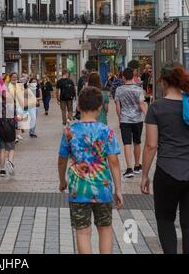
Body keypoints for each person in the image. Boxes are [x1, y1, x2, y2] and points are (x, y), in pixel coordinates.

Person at [141, 63, 189, 254]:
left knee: (165, 221)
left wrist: (144, 175)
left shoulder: (157, 108)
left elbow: (151, 145)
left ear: (163, 82)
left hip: (167, 173)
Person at [58, 86, 123, 254]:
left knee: (83, 231)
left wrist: (62, 181)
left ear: (78, 106)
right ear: (100, 107)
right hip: (102, 187)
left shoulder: (69, 131)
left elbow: (62, 159)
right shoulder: (106, 131)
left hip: (77, 189)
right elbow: (114, 162)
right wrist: (118, 189)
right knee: (105, 228)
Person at [114, 67, 147, 178]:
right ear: (133, 76)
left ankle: (129, 168)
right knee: (137, 142)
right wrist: (147, 116)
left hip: (125, 120)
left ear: (123, 77)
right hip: (138, 119)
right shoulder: (138, 89)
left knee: (127, 143)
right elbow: (142, 105)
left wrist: (120, 118)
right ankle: (137, 165)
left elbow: (118, 106)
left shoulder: (119, 90)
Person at [0, 92, 17, 177]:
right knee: (11, 148)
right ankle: (10, 161)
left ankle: (2, 170)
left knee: (2, 149)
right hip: (10, 127)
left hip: (0, 127)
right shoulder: (12, 105)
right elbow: (15, 117)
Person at [7, 72, 25, 142]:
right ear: (10, 77)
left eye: (16, 77)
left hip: (18, 104)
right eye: (13, 77)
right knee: (12, 120)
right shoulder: (8, 85)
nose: (14, 78)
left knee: (19, 119)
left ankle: (18, 134)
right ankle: (13, 135)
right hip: (10, 105)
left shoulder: (20, 85)